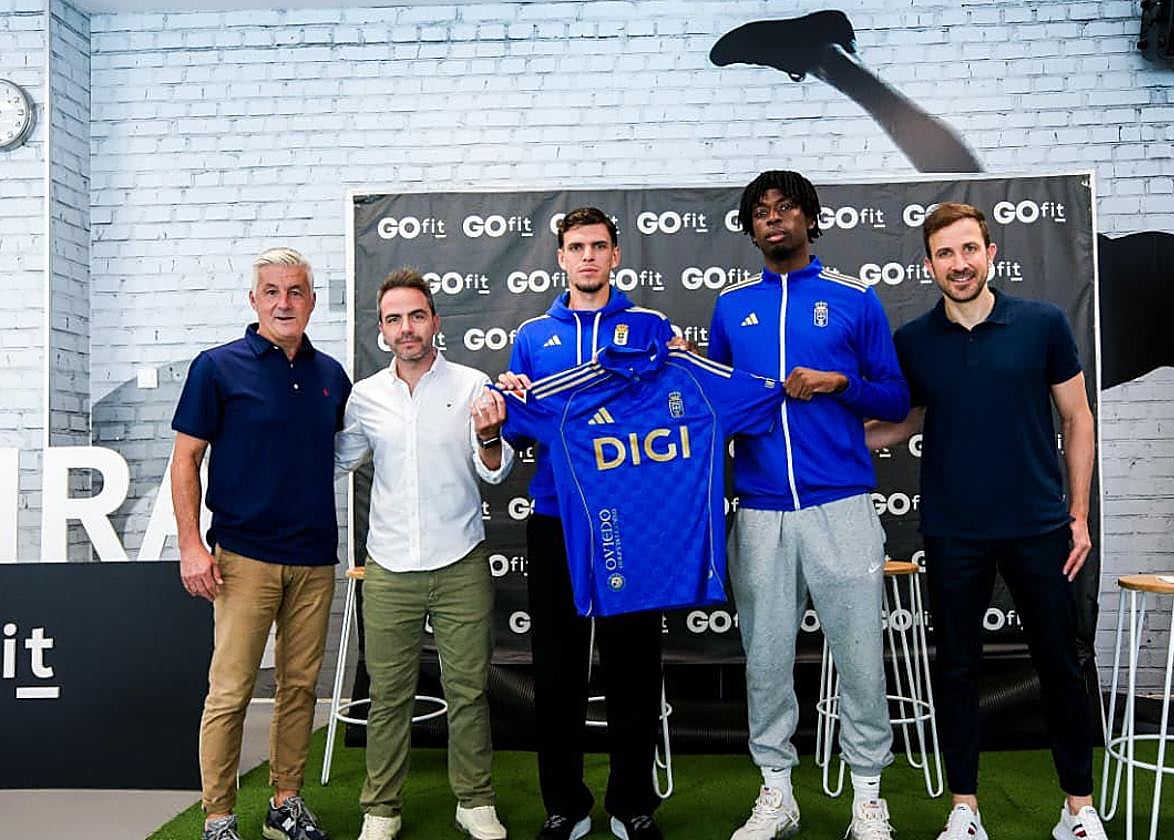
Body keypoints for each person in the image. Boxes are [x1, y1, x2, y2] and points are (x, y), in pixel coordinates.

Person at [866, 203, 1106, 840]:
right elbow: (903, 421)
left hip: (1039, 526)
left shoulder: (1043, 323)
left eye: (969, 249)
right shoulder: (913, 340)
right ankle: (964, 809)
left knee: (1060, 662)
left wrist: (1078, 513)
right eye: (945, 254)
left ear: (991, 253)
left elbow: (1077, 418)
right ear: (930, 265)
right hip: (953, 530)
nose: (959, 263)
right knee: (958, 669)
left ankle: (1078, 809)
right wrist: (812, 441)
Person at [707, 170, 909, 840]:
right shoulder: (732, 308)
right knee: (764, 657)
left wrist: (838, 382)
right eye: (760, 212)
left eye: (784, 208)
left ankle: (868, 797)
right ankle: (776, 795)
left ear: (810, 218)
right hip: (761, 510)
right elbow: (718, 411)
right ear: (750, 228)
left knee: (858, 655)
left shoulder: (855, 299)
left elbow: (892, 399)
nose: (772, 219)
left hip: (842, 505)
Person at [497, 207, 675, 840]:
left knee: (635, 665)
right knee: (557, 668)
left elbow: (675, 409)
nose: (589, 257)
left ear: (616, 255)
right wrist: (509, 400)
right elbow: (517, 432)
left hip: (634, 521)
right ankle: (565, 805)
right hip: (556, 520)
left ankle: (633, 803)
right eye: (577, 247)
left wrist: (676, 360)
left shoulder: (652, 327)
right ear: (561, 258)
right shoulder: (532, 338)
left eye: (599, 246)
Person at [171, 247, 351, 840]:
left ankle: (285, 804)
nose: (284, 302)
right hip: (242, 558)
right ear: (254, 301)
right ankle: (219, 815)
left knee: (300, 689)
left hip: (314, 559)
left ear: (311, 301)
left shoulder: (331, 376)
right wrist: (192, 546)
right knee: (231, 691)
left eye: (295, 291)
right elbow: (186, 459)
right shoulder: (217, 367)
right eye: (272, 291)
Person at [334, 269, 514, 840]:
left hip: (460, 560)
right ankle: (381, 810)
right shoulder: (364, 398)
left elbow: (497, 470)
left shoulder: (471, 383)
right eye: (394, 319)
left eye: (416, 316)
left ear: (434, 322)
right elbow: (336, 460)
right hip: (388, 568)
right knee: (387, 696)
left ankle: (475, 801)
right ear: (382, 331)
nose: (406, 328)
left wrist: (488, 437)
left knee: (468, 691)